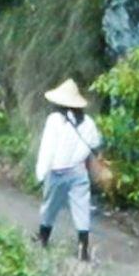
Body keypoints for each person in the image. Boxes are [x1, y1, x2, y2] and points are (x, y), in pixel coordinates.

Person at [33, 78, 104, 262]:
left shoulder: (55, 120)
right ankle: (82, 249)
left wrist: (41, 173)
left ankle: (43, 239)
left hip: (58, 171)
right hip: (79, 172)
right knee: (81, 209)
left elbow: (47, 149)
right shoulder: (88, 122)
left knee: (49, 207)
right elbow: (95, 143)